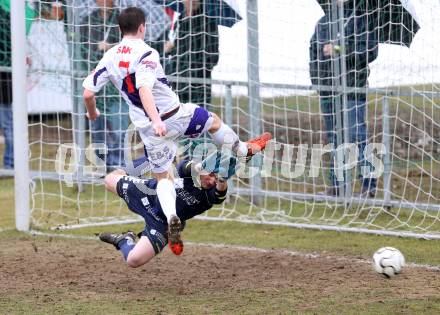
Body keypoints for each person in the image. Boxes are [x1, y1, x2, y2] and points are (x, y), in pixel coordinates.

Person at [82, 7, 271, 255]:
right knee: (213, 122)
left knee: (164, 179)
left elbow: (87, 93)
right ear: (143, 27)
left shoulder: (110, 56)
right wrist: (157, 119)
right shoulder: (147, 52)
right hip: (173, 117)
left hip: (149, 131)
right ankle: (243, 149)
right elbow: (144, 89)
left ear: (119, 29)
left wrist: (93, 113)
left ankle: (172, 217)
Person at [98, 152, 240, 266]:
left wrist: (222, 180)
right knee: (109, 179)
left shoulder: (209, 195)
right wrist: (199, 167)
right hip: (147, 193)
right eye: (210, 175)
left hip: (163, 224)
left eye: (216, 180)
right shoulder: (189, 170)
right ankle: (149, 159)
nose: (211, 181)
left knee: (134, 260)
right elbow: (187, 167)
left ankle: (124, 240)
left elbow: (219, 195)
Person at [309, 0, 379, 197]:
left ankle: (369, 185)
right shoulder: (323, 22)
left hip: (352, 88)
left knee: (357, 135)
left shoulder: (362, 20)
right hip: (328, 89)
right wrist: (318, 83)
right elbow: (313, 53)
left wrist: (340, 51)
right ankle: (337, 186)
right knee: (334, 137)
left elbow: (370, 52)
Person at [80, 0, 128, 169]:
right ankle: (100, 164)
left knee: (118, 127)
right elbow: (81, 49)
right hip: (96, 81)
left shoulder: (123, 19)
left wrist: (111, 47)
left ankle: (117, 165)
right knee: (97, 127)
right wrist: (95, 50)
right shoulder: (87, 20)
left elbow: (129, 47)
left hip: (117, 83)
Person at [0, 0, 35, 169]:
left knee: (8, 123)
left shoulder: (17, 15)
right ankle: (10, 163)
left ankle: (11, 163)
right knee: (8, 123)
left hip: (5, 76)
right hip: (7, 74)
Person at [165, 0, 219, 109]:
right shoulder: (179, 21)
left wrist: (196, 71)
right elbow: (177, 51)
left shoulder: (208, 22)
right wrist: (170, 49)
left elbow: (213, 56)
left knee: (199, 123)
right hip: (177, 83)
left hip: (198, 86)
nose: (192, 1)